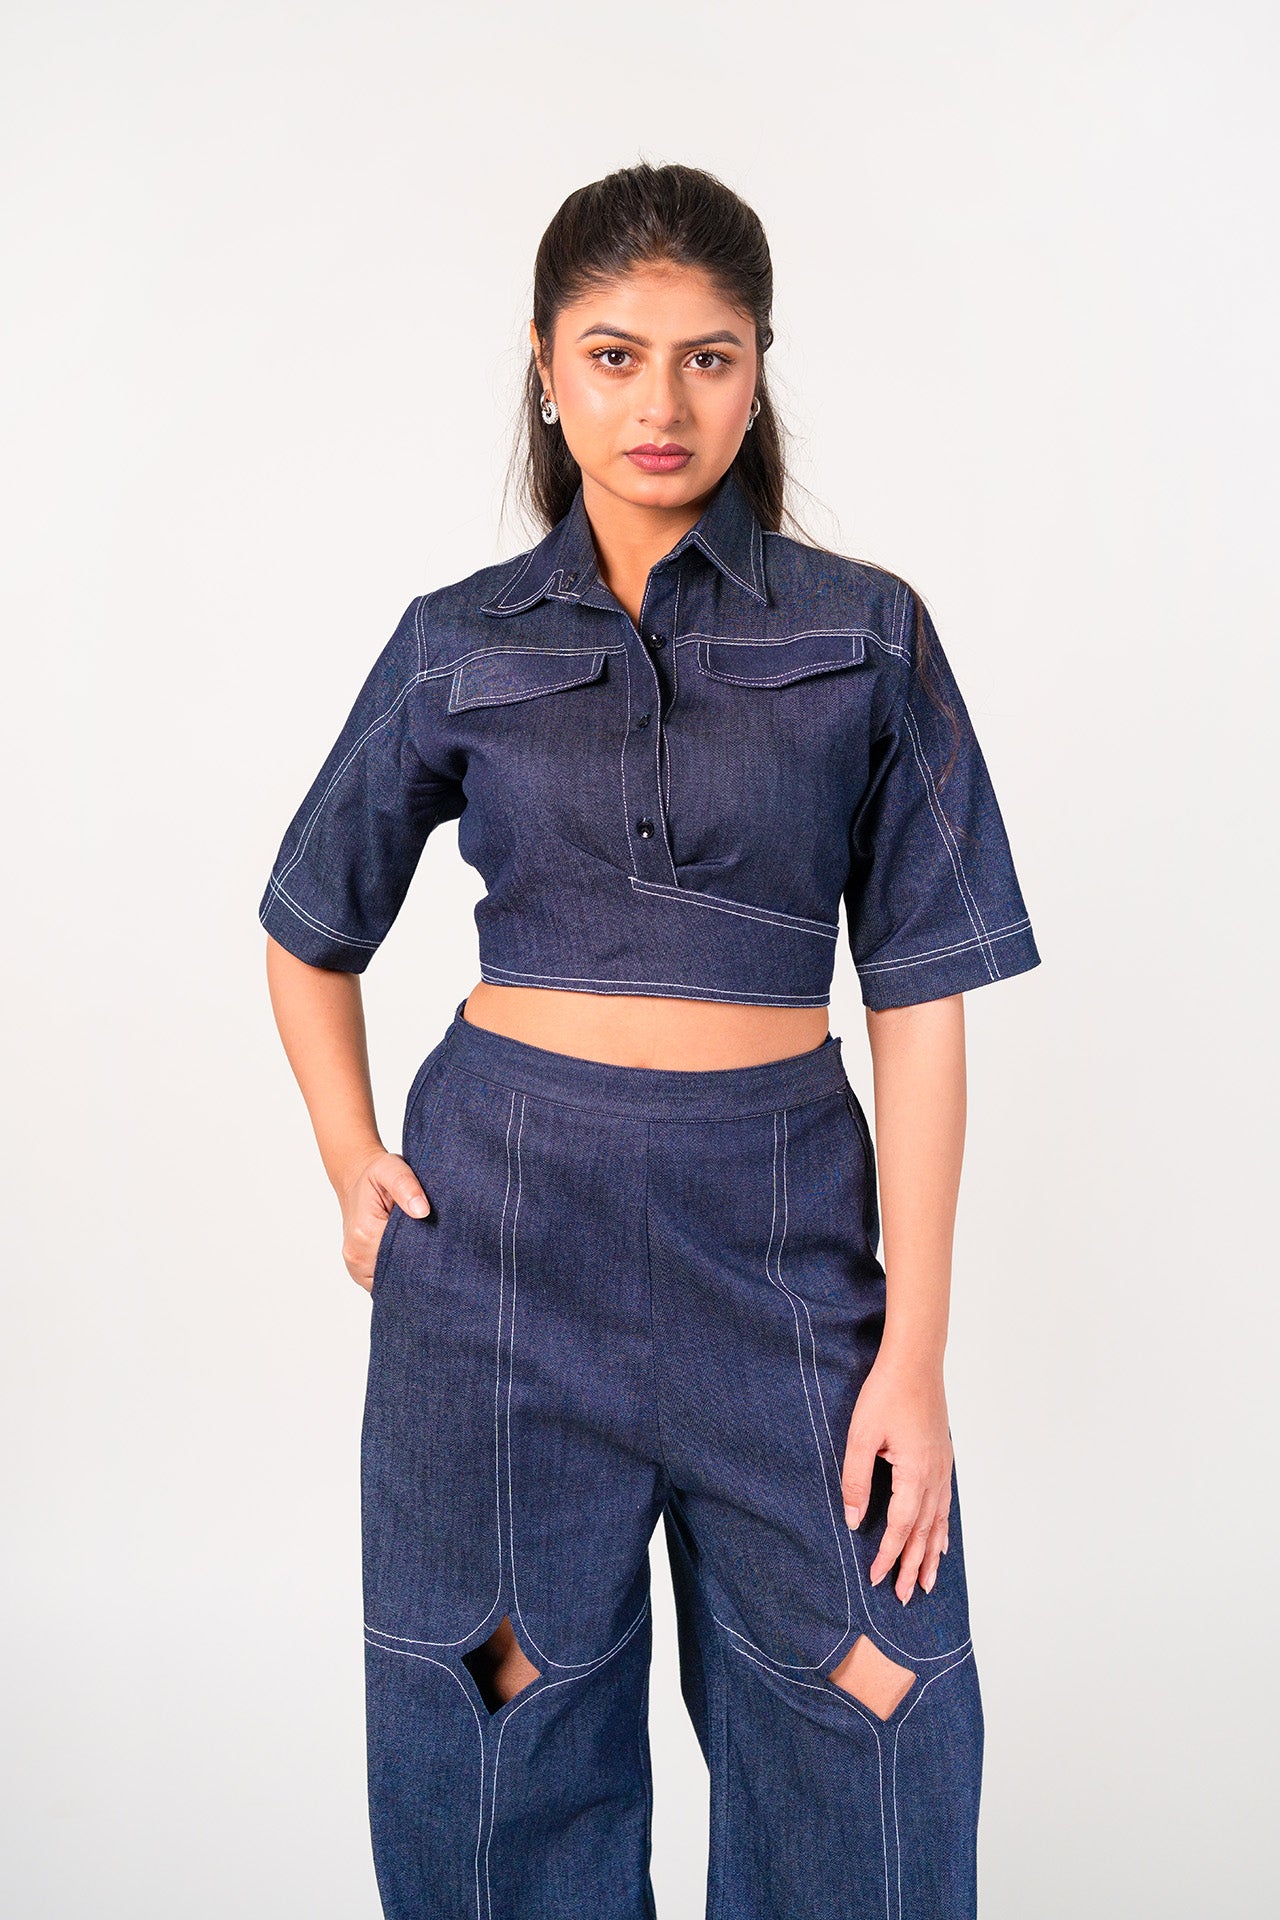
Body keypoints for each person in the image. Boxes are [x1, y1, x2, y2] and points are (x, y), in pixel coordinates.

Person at [259, 161, 1040, 1920]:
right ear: (547, 369)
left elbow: (919, 1002)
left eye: (708, 356)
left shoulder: (865, 631)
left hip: (780, 1245)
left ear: (758, 372)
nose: (659, 402)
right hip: (501, 1249)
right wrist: (351, 1155)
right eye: (613, 356)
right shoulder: (457, 640)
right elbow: (308, 926)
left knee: (874, 1707)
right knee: (499, 1717)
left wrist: (914, 1351)